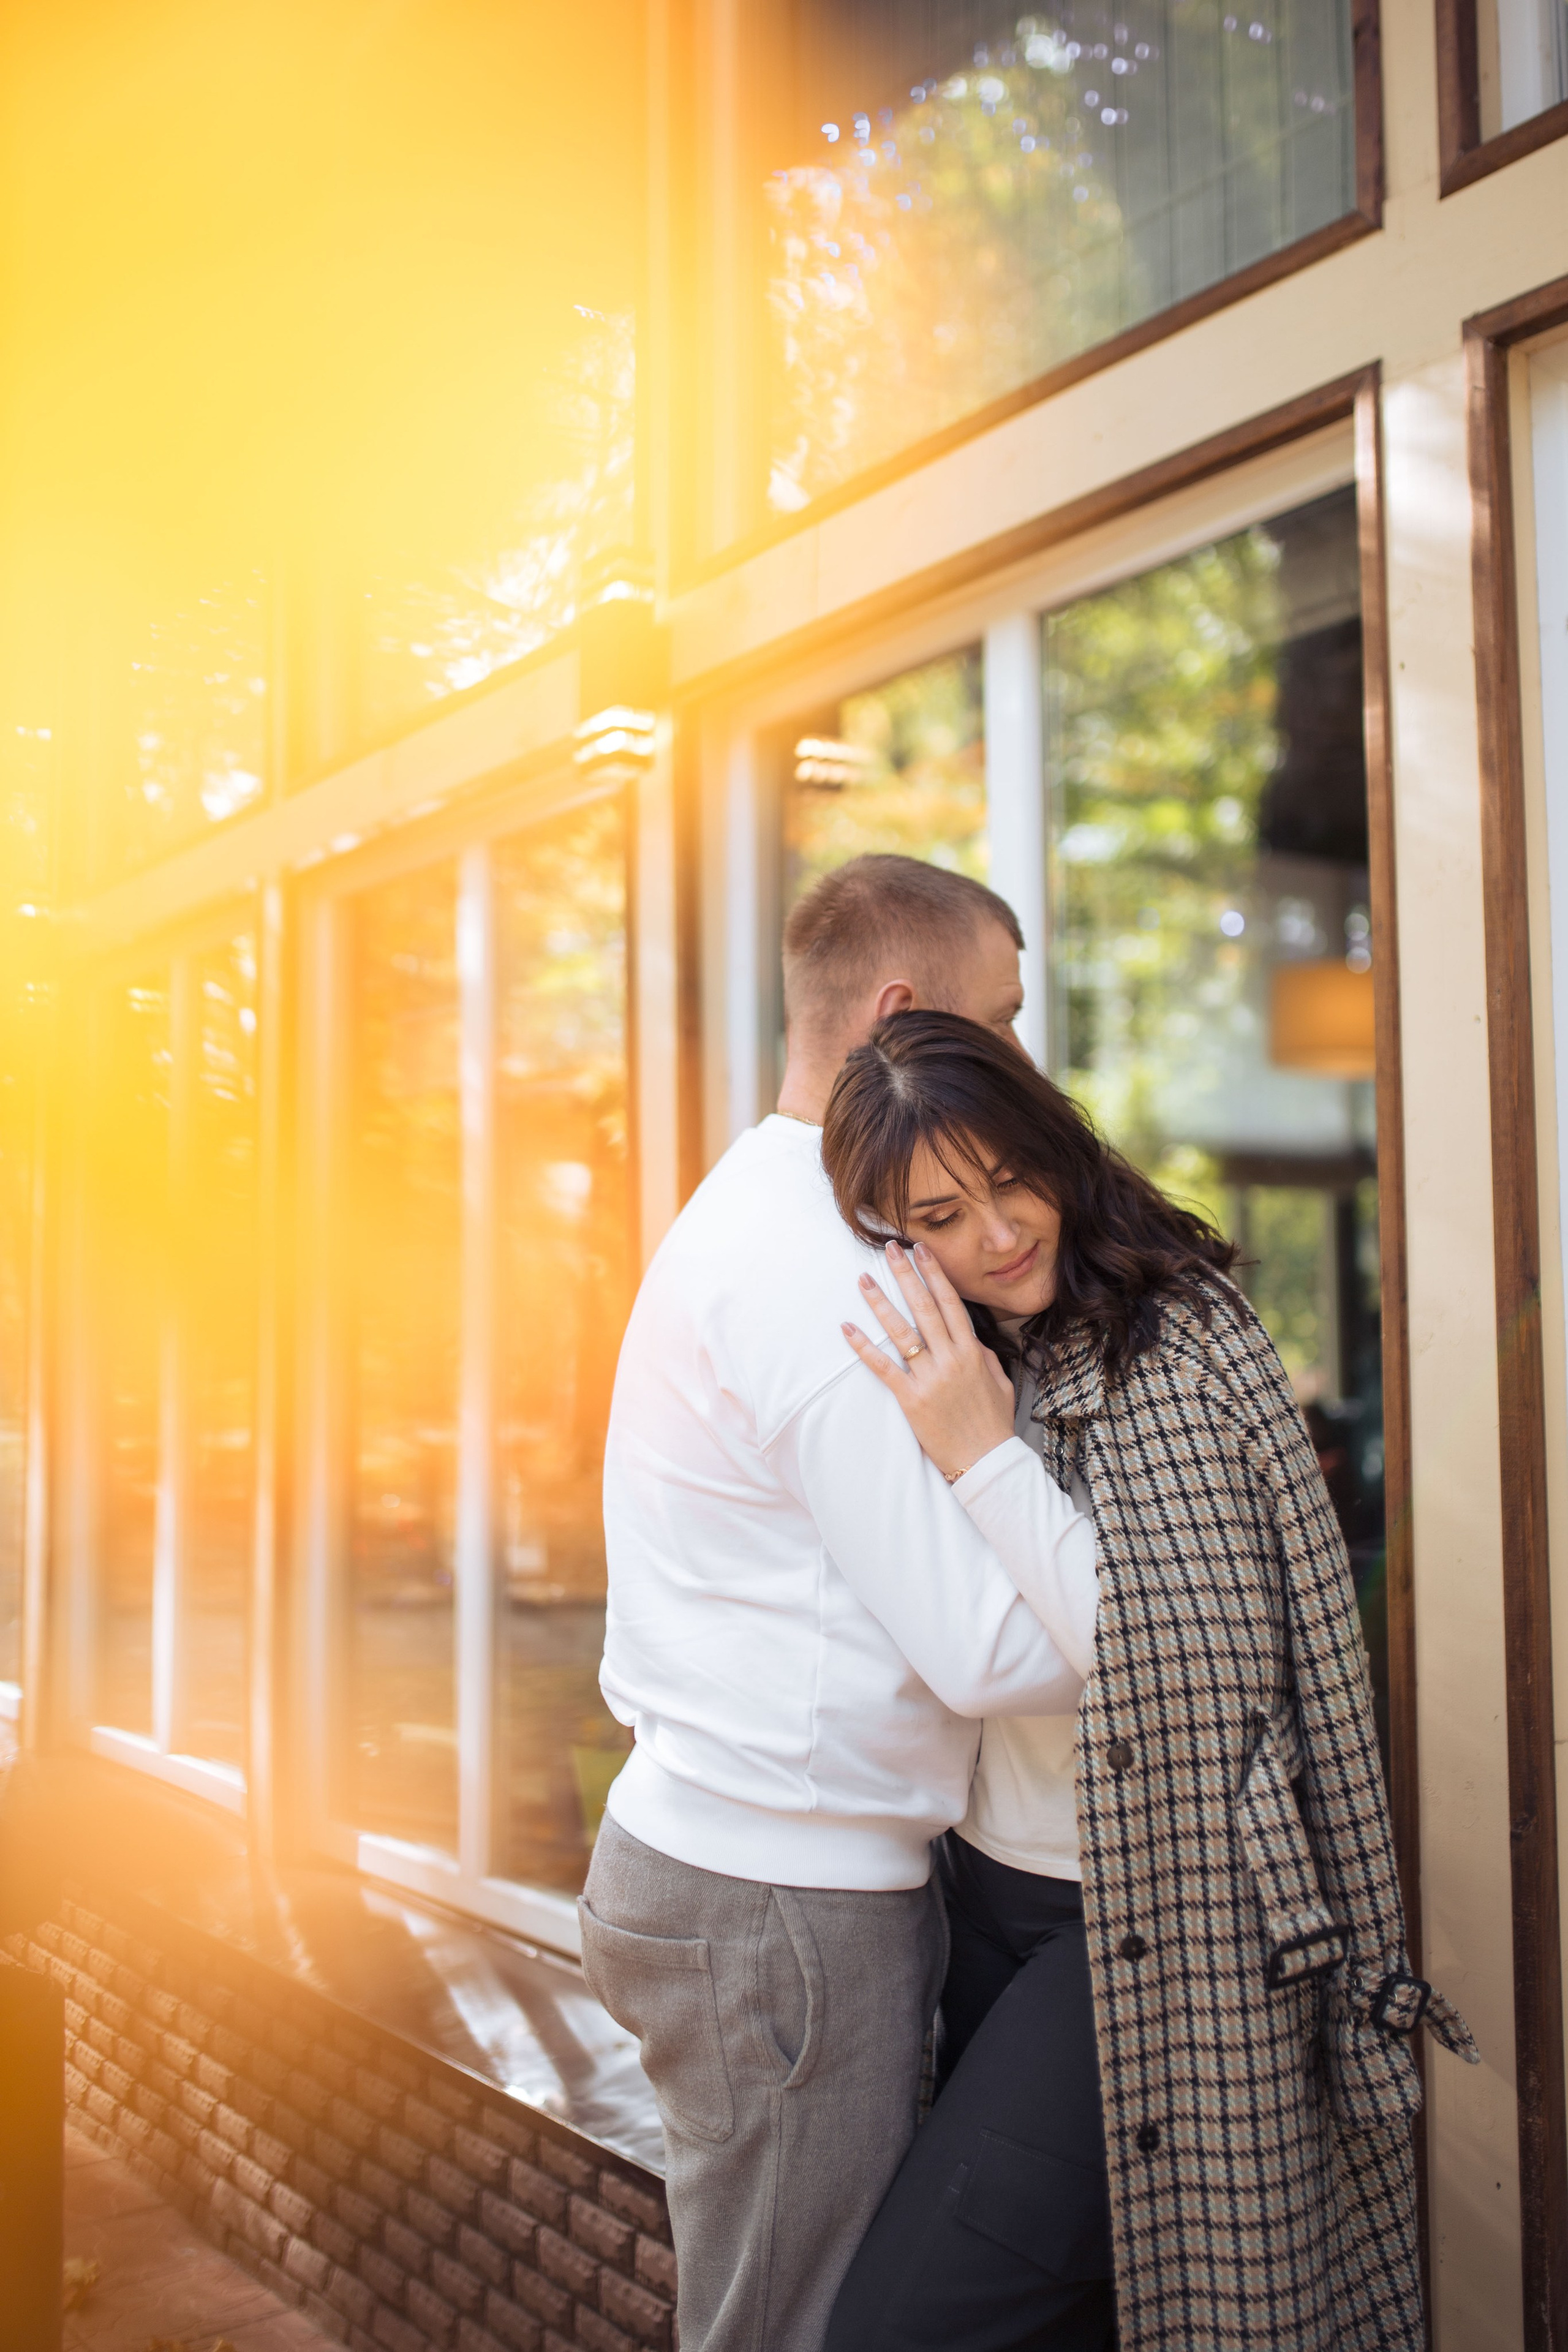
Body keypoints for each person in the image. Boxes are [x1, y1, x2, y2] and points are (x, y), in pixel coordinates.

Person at [816, 1011, 1479, 2352]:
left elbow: (1175, 1656)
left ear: (1054, 1146)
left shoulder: (1175, 1333)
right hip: (979, 1897)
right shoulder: (972, 1347)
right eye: (941, 1215)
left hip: (1143, 1905)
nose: (998, 1232)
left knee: (901, 2327)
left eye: (1011, 1179)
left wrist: (981, 1456)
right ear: (892, 1239)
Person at [578, 855, 1101, 2352]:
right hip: (780, 1912)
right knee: (793, 2331)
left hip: (749, 1872)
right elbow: (999, 1650)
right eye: (1000, 1017)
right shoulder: (826, 1280)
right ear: (899, 1015)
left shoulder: (775, 1208)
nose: (1018, 1053)